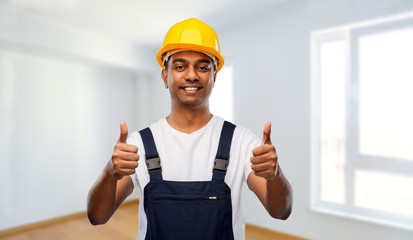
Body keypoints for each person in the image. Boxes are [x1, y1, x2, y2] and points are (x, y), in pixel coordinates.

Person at [87, 18, 292, 240]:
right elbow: (97, 216)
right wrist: (110, 171)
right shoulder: (138, 145)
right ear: (165, 76)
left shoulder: (241, 142)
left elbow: (280, 212)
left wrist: (274, 175)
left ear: (215, 76)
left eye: (203, 67)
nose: (192, 75)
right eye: (180, 66)